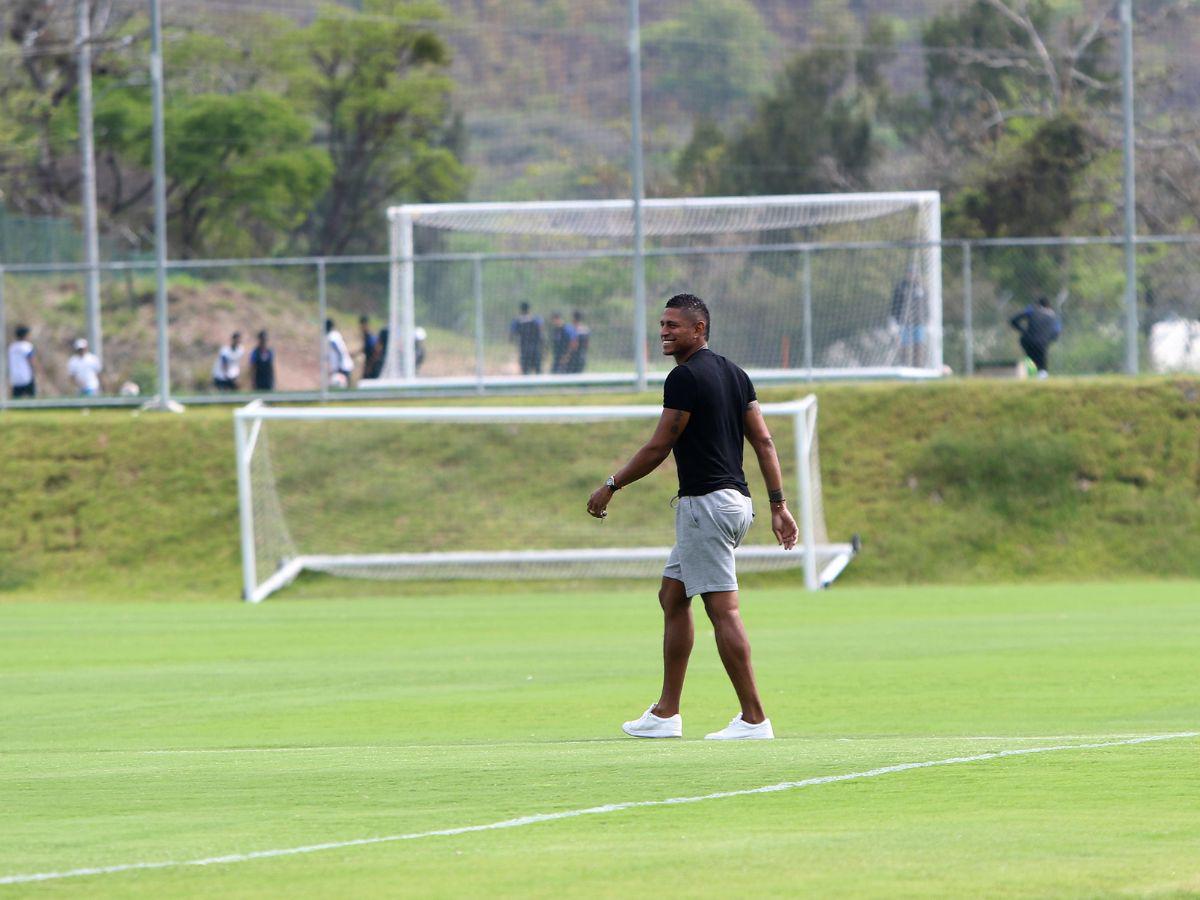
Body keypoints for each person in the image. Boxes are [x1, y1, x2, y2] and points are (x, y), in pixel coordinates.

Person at [587, 293, 798, 741]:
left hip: (705, 506)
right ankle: (665, 713)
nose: (664, 332)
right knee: (672, 595)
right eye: (662, 325)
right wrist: (777, 506)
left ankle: (755, 719)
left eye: (673, 326)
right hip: (735, 505)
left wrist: (611, 485)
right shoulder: (736, 374)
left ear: (699, 329)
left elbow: (658, 446)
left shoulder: (683, 378)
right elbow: (763, 441)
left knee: (723, 611)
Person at [1010, 296, 1061, 379]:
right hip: (1042, 342)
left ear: (1038, 305)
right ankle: (1041, 375)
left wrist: (1023, 330)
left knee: (1031, 359)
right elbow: (1056, 331)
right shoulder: (1052, 315)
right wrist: (1049, 339)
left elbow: (1013, 320)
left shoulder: (1031, 311)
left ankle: (1028, 371)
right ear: (1048, 305)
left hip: (1027, 340)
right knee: (1041, 363)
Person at [890, 268, 927, 368]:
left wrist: (928, 320)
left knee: (918, 346)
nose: (912, 275)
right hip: (903, 323)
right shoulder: (900, 287)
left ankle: (918, 368)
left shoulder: (921, 288)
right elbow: (894, 305)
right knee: (904, 346)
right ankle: (904, 366)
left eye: (914, 273)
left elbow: (925, 305)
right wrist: (893, 321)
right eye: (910, 273)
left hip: (918, 322)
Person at [510, 302, 544, 375]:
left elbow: (512, 335)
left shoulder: (517, 321)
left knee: (525, 370)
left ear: (520, 310)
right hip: (535, 348)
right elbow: (541, 332)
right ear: (529, 309)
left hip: (524, 349)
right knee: (538, 370)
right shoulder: (536, 319)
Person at [7, 325, 37, 398]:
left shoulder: (12, 347)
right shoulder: (27, 346)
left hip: (15, 377)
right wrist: (36, 371)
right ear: (25, 335)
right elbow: (31, 360)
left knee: (16, 398)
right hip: (26, 376)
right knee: (31, 397)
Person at [325, 318, 354, 388]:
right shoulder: (336, 334)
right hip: (344, 365)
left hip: (342, 367)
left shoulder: (331, 336)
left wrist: (339, 366)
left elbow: (338, 351)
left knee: (340, 387)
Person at [566, 309, 591, 373]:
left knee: (569, 376)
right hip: (583, 355)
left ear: (573, 318)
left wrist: (567, 355)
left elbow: (574, 344)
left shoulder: (571, 329)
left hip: (573, 357)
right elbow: (587, 344)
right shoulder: (586, 329)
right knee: (580, 375)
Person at [359, 315, 382, 380]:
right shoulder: (366, 337)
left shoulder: (370, 337)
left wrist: (369, 366)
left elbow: (376, 351)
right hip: (369, 366)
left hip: (373, 367)